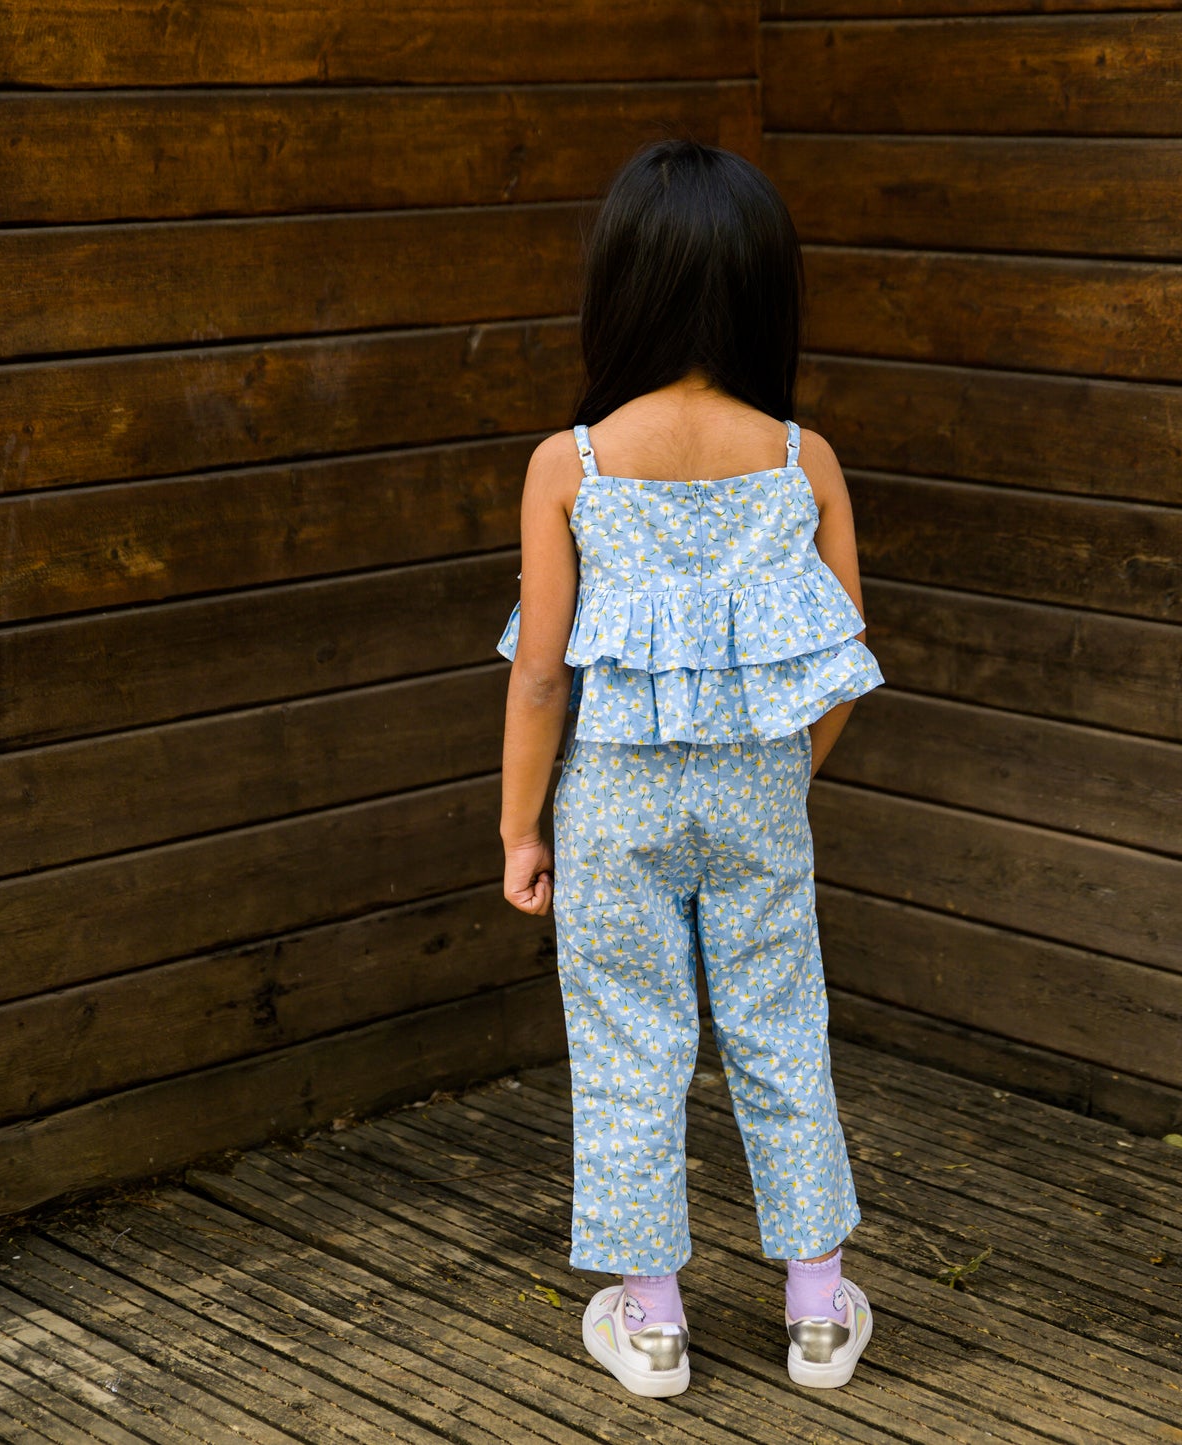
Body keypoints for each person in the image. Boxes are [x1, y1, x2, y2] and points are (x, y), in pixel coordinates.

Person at [496, 138, 883, 1399]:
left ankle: (651, 1318)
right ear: (763, 291)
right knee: (781, 1028)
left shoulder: (572, 465)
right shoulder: (799, 457)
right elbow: (839, 662)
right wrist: (779, 773)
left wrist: (519, 828)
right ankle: (818, 1308)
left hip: (609, 803)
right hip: (761, 792)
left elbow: (542, 676)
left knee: (627, 1041)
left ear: (623, 290)